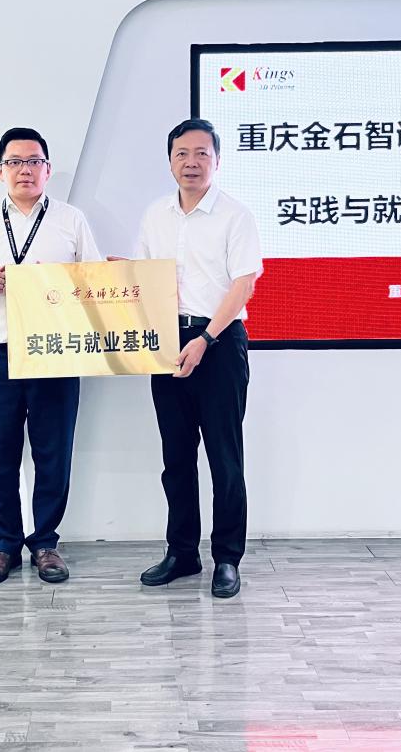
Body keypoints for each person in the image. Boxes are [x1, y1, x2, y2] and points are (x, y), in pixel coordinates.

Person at [0, 127, 101, 586]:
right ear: (0, 171)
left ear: (48, 169)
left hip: (55, 352)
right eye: (15, 162)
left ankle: (46, 544)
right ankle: (4, 546)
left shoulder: (71, 220)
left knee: (54, 453)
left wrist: (60, 283)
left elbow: (96, 283)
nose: (25, 170)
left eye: (34, 161)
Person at [135, 118, 262, 599]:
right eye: (182, 154)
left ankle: (227, 558)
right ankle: (182, 553)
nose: (191, 162)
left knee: (225, 458)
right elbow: (145, 278)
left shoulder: (235, 215)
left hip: (220, 343)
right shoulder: (155, 215)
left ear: (217, 160)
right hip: (168, 343)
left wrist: (205, 338)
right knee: (176, 457)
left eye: (201, 153)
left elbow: (243, 286)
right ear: (170, 161)